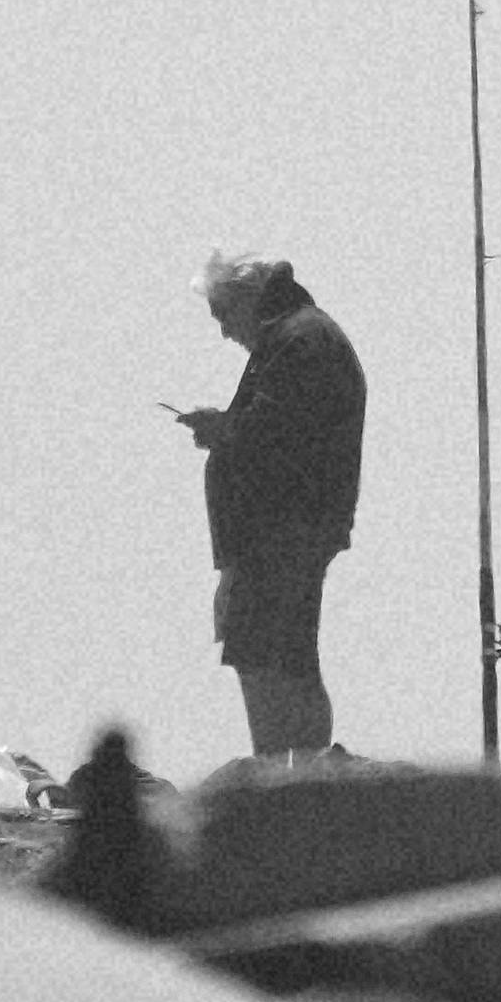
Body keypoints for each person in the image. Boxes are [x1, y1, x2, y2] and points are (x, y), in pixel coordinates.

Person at [174, 253, 368, 757]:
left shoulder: (300, 340)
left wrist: (222, 429)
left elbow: (276, 433)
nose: (224, 332)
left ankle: (283, 772)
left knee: (267, 657)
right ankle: (294, 770)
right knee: (284, 657)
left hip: (282, 531)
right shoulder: (297, 336)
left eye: (223, 315)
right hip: (284, 531)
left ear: (247, 300)